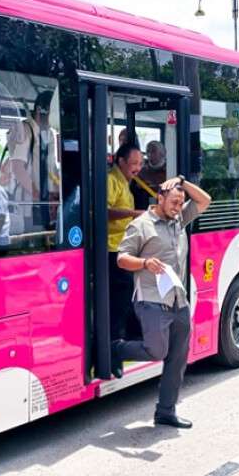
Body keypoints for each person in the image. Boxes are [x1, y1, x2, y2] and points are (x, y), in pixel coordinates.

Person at [111, 177, 212, 427]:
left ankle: (166, 411)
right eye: (174, 202)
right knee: (158, 351)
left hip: (178, 300)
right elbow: (122, 259)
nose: (178, 207)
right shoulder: (141, 225)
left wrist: (181, 182)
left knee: (178, 359)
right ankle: (115, 349)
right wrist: (145, 263)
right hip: (151, 300)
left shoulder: (177, 220)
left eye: (181, 203)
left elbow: (205, 200)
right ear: (160, 198)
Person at [5, 89, 60, 231]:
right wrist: (37, 195)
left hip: (48, 204)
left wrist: (57, 191)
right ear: (41, 110)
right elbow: (17, 167)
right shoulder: (24, 129)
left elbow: (51, 166)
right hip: (27, 204)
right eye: (53, 114)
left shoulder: (51, 133)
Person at [106, 142, 144, 345]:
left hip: (123, 247)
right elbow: (104, 212)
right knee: (121, 297)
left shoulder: (125, 182)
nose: (137, 168)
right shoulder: (111, 180)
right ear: (120, 161)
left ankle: (128, 334)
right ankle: (116, 340)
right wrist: (134, 214)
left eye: (140, 163)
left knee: (129, 293)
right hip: (112, 249)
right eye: (134, 163)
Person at [132, 140, 167, 210]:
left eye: (153, 151)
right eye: (148, 151)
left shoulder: (170, 169)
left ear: (162, 153)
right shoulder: (141, 170)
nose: (150, 154)